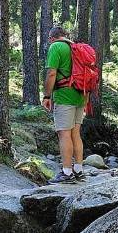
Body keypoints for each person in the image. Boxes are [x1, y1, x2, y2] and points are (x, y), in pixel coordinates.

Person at [43, 26, 86, 183]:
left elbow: (52, 73)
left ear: (52, 38)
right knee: (76, 133)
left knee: (64, 133)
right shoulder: (74, 47)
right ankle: (78, 170)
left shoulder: (56, 47)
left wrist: (47, 95)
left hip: (64, 96)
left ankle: (67, 172)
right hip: (81, 95)